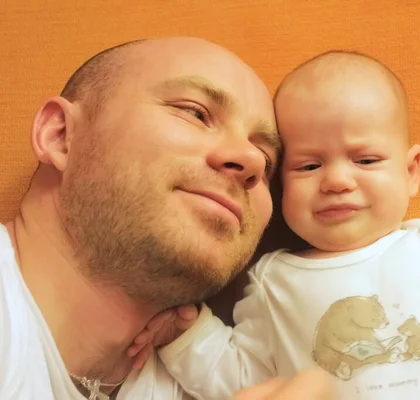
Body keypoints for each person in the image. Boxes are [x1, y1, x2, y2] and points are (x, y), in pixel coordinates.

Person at [135, 50, 420, 399]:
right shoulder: (274, 280)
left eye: (366, 160)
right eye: (309, 165)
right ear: (279, 182)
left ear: (411, 171)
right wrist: (188, 338)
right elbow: (246, 381)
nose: (337, 181)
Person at [0, 36, 333, 400]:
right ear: (61, 135)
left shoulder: (211, 381)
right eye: (195, 113)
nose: (252, 162)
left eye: (267, 160)